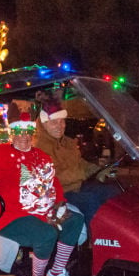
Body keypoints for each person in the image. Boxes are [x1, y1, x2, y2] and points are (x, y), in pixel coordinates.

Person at [0, 102, 85, 276]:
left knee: (75, 220)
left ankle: (56, 272)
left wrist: (59, 203)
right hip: (11, 215)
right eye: (19, 132)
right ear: (12, 133)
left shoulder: (41, 155)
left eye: (28, 132)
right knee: (46, 234)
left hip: (41, 209)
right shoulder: (1, 153)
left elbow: (53, 182)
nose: (24, 137)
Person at [33, 90, 119, 226]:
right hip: (57, 195)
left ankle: (116, 234)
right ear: (43, 124)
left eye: (62, 122)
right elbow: (51, 179)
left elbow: (80, 164)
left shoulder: (67, 142)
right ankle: (92, 243)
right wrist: (82, 173)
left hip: (76, 187)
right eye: (54, 122)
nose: (60, 126)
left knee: (113, 191)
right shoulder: (38, 148)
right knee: (90, 200)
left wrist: (98, 166)